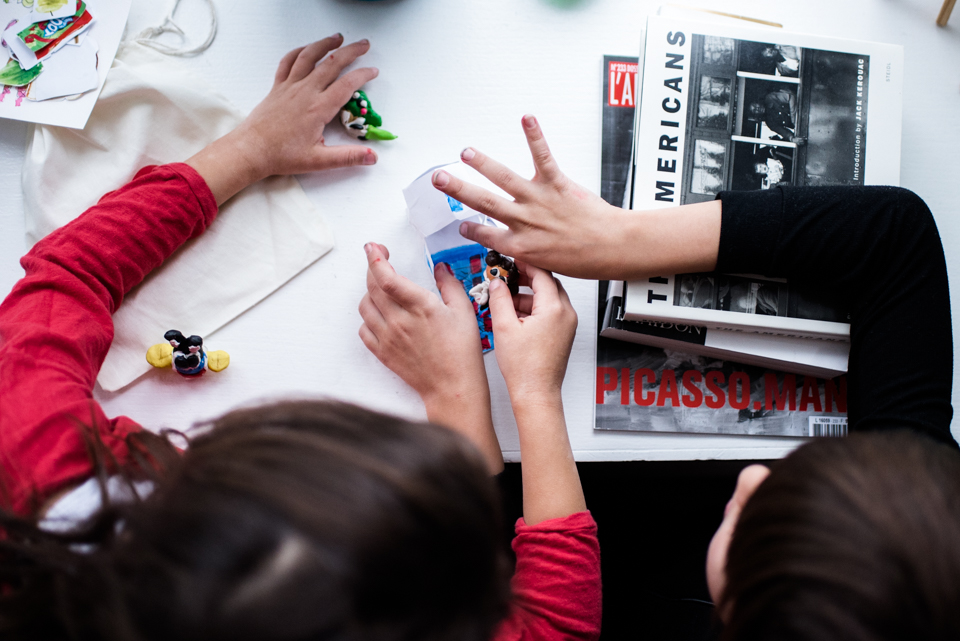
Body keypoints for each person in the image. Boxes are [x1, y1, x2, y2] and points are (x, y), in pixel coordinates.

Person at [0, 39, 600, 640]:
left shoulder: (40, 465)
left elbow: (67, 279)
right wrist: (522, 397)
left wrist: (248, 150)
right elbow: (555, 629)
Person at [427, 114, 960, 638]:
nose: (753, 477)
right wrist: (621, 239)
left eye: (754, 532)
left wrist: (474, 406)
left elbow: (514, 612)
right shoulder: (925, 527)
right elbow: (896, 233)